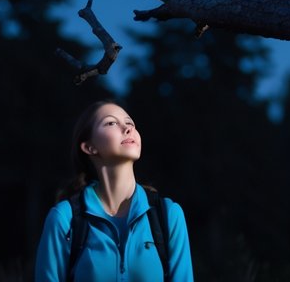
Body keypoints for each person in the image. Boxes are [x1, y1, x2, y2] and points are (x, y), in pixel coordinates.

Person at [34, 101, 194, 281]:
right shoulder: (64, 219)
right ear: (89, 147)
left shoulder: (168, 215)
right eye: (111, 123)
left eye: (130, 123)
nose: (127, 128)